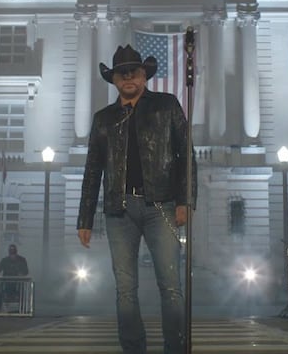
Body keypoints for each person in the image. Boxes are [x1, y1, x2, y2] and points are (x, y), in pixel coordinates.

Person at [78, 44, 197, 354]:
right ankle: (133, 349)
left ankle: (176, 348)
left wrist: (185, 200)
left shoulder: (166, 105)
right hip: (118, 211)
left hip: (161, 205)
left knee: (171, 286)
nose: (129, 77)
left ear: (144, 76)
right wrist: (85, 219)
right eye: (122, 73)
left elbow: (186, 154)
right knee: (125, 289)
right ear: (114, 80)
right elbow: (92, 170)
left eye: (134, 72)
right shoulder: (103, 119)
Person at [0, 244, 30, 312]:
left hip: (18, 282)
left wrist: (21, 274)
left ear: (16, 251)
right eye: (11, 251)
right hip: (6, 282)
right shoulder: (4, 260)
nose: (12, 254)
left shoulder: (22, 260)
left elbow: (26, 271)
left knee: (22, 293)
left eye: (13, 251)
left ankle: (22, 308)